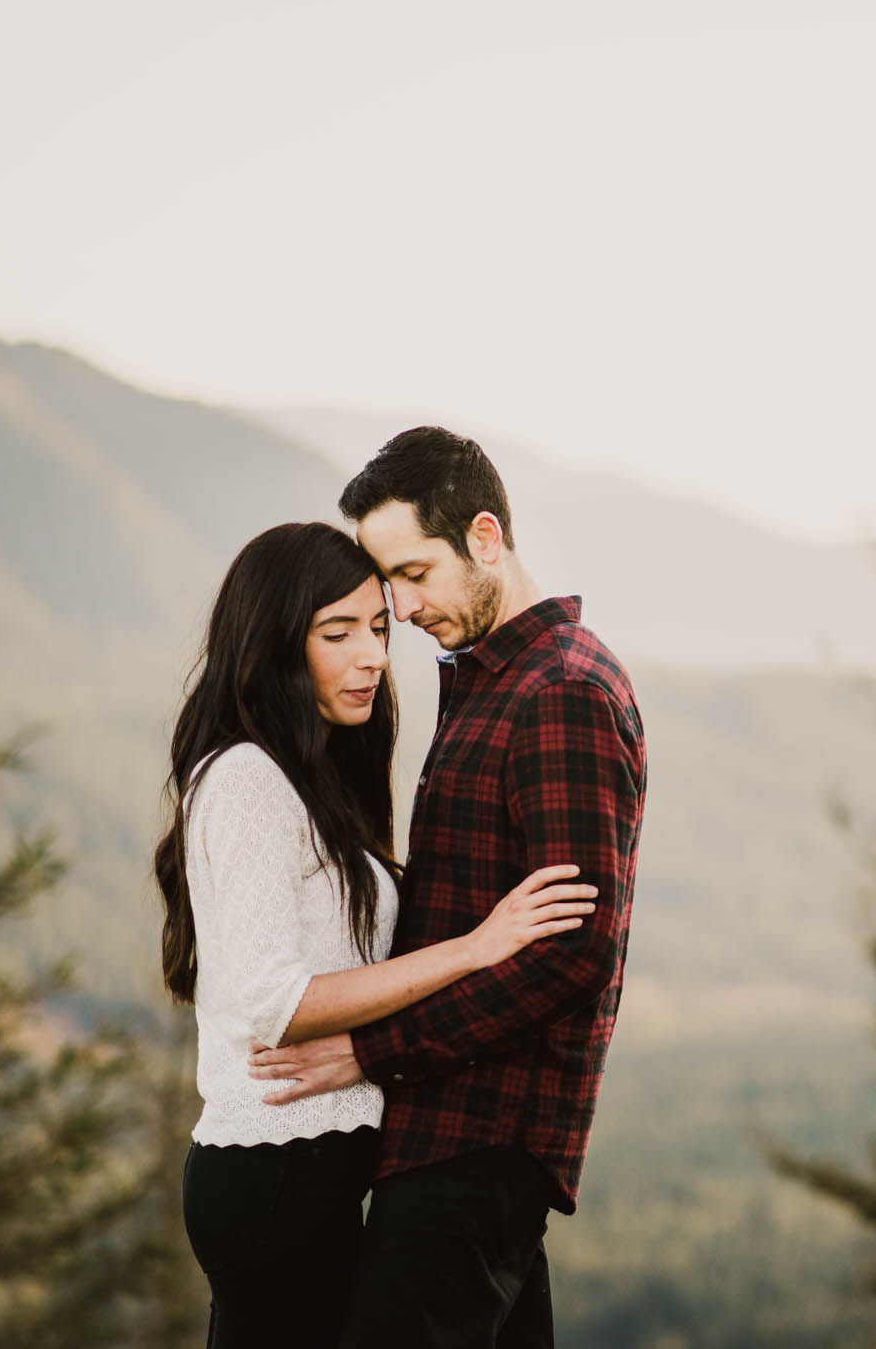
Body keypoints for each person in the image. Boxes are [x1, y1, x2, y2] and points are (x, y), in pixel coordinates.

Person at [152, 521, 596, 1349]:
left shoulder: (311, 777)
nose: (372, 656)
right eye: (337, 632)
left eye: (379, 627)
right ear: (275, 642)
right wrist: (474, 947)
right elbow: (278, 1006)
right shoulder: (246, 776)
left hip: (314, 1173)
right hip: (275, 1171)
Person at [248, 429, 647, 1348]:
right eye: (390, 581)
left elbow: (573, 953)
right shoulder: (487, 683)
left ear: (485, 536)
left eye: (416, 572)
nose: (405, 605)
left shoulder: (562, 692)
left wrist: (372, 1049)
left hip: (480, 1141)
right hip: (450, 1135)